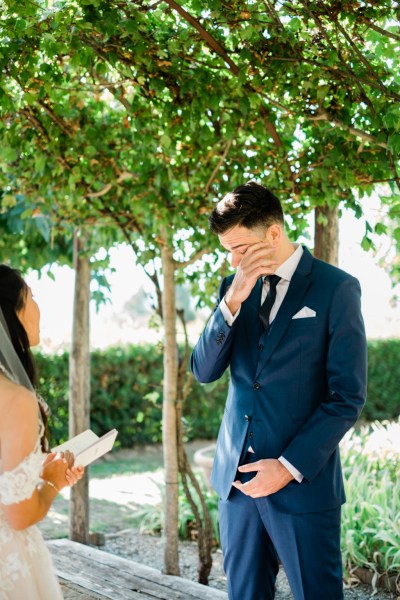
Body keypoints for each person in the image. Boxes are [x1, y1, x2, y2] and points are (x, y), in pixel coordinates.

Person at [191, 182, 367, 600]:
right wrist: (232, 300)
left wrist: (287, 466)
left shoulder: (336, 289)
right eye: (227, 251)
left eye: (241, 248)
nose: (234, 260)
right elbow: (203, 370)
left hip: (303, 486)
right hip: (236, 486)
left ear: (273, 233)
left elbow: (346, 397)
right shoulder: (231, 290)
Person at [0, 264, 84, 599]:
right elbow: (18, 515)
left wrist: (33, 464)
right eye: (31, 296)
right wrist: (51, 483)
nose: (38, 306)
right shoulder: (15, 399)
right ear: (11, 312)